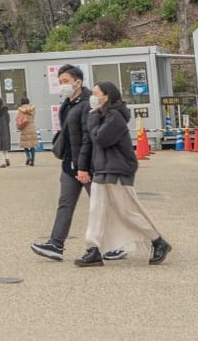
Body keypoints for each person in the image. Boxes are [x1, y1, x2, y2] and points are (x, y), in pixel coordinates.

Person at [74, 81, 171, 267]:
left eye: (96, 93)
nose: (92, 97)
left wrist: (92, 118)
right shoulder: (102, 115)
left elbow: (101, 139)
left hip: (117, 170)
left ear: (107, 96)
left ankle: (158, 241)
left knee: (128, 211)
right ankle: (92, 249)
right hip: (103, 169)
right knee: (96, 211)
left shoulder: (114, 117)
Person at [30, 64, 93, 261]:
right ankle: (56, 243)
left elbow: (87, 137)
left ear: (78, 82)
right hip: (69, 164)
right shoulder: (67, 104)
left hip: (88, 166)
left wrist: (83, 165)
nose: (62, 85)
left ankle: (123, 243)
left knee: (104, 206)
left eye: (65, 81)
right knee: (65, 203)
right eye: (60, 82)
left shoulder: (88, 103)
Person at [17, 96, 38, 166]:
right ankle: (33, 160)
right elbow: (33, 117)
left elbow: (18, 118)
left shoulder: (20, 110)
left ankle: (28, 157)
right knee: (32, 145)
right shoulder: (33, 109)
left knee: (25, 145)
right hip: (32, 127)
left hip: (24, 128)